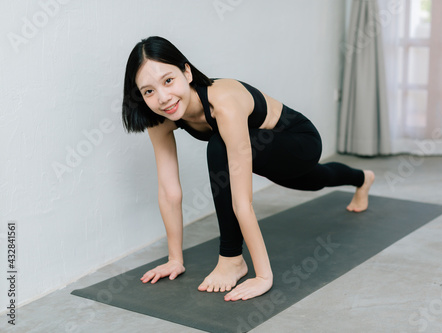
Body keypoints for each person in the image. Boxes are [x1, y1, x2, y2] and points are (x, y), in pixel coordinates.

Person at [122, 36, 375, 302]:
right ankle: (362, 178)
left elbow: (242, 201)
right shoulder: (159, 118)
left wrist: (263, 276)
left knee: (220, 146)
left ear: (186, 71)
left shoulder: (224, 100)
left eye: (168, 80)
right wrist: (174, 259)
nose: (163, 98)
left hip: (299, 141)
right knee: (316, 179)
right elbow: (168, 191)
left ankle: (232, 259)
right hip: (260, 151)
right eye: (148, 91)